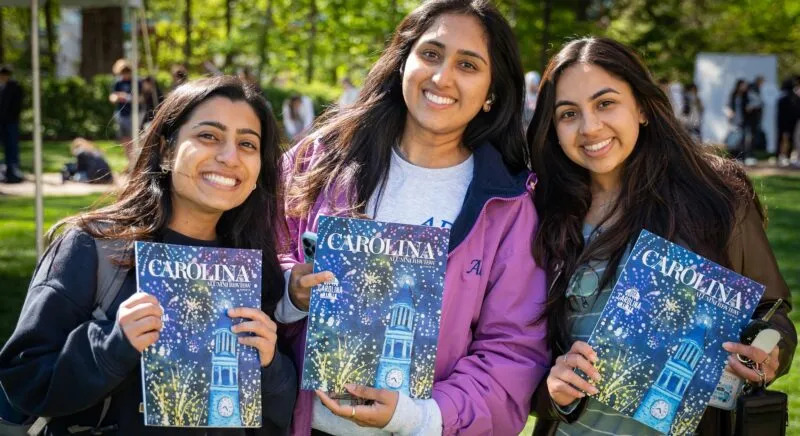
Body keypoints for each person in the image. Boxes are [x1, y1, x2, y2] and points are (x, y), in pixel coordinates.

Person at [276, 1, 549, 435]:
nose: (442, 77)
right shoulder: (322, 157)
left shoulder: (508, 206)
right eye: (431, 54)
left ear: (492, 93)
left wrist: (417, 417)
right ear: (404, 60)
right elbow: (253, 249)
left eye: (468, 64)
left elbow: (512, 350)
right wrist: (290, 293)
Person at [527, 36, 796, 435]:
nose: (590, 127)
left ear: (642, 108)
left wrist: (770, 351)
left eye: (605, 103)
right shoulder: (541, 214)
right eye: (568, 113)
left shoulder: (717, 198)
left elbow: (772, 313)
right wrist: (550, 390)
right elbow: (511, 353)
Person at [0, 76, 297, 435]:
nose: (229, 157)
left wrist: (269, 367)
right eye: (209, 136)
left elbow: (273, 421)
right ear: (167, 149)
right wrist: (113, 344)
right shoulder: (92, 247)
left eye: (247, 143)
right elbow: (23, 380)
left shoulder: (254, 269)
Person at [108, 59, 142, 170]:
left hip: (134, 114)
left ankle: (136, 162)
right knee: (125, 140)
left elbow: (141, 98)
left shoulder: (136, 82)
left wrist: (127, 97)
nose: (125, 75)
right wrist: (117, 97)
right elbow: (112, 97)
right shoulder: (118, 83)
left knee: (135, 139)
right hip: (122, 114)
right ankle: (130, 162)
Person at [0, 64, 23, 183]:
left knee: (12, 147)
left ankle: (13, 172)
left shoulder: (14, 87)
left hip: (10, 122)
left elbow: (16, 106)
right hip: (2, 122)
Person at [776, 76, 800, 167]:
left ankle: (786, 156)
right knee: (785, 140)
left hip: (789, 123)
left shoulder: (788, 97)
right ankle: (783, 156)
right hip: (786, 123)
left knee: (789, 140)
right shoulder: (788, 98)